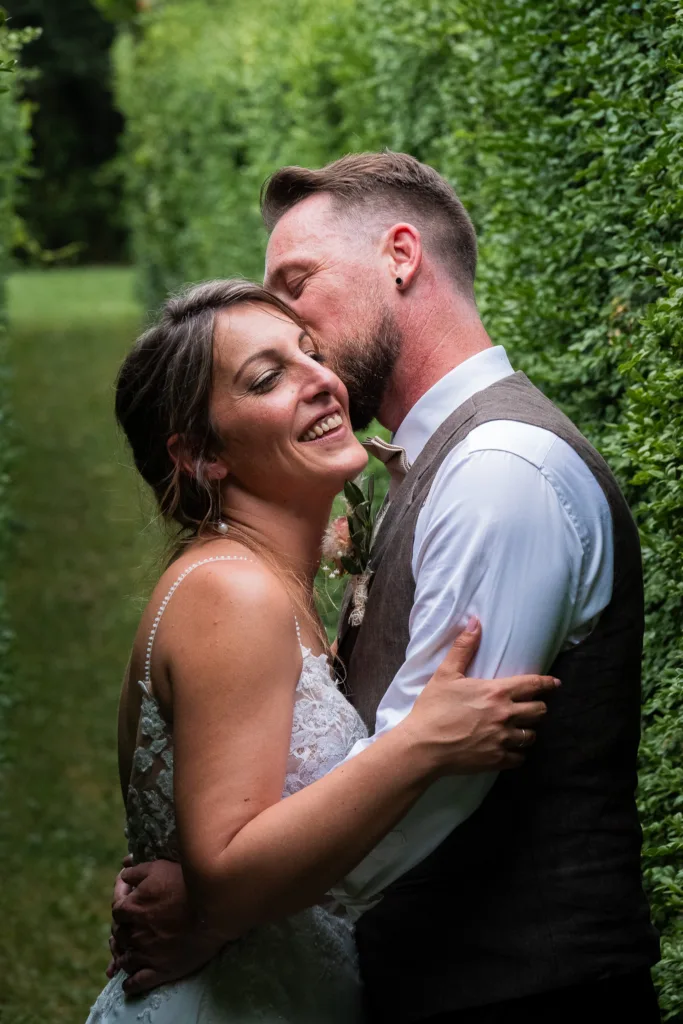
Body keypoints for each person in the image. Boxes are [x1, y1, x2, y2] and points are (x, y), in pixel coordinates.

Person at [108, 153, 661, 1023]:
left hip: (524, 991)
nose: (304, 340)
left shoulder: (498, 470)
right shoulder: (418, 469)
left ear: (400, 256)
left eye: (297, 288)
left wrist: (223, 912)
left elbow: (432, 790)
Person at [88, 278, 555, 1023]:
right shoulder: (230, 595)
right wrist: (421, 743)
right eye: (268, 378)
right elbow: (229, 880)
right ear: (202, 455)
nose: (320, 382)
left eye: (311, 353)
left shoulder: (269, 585)